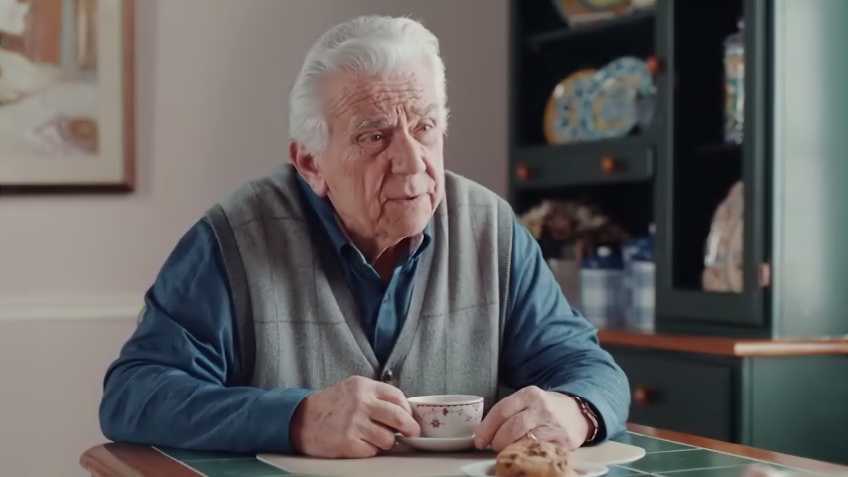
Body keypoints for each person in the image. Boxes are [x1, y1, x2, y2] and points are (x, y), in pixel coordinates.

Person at [99, 15, 630, 459]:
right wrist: (296, 419)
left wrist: (574, 411)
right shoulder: (234, 240)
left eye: (424, 127)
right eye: (375, 136)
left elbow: (590, 370)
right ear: (311, 162)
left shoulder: (492, 232)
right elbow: (134, 395)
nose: (411, 162)